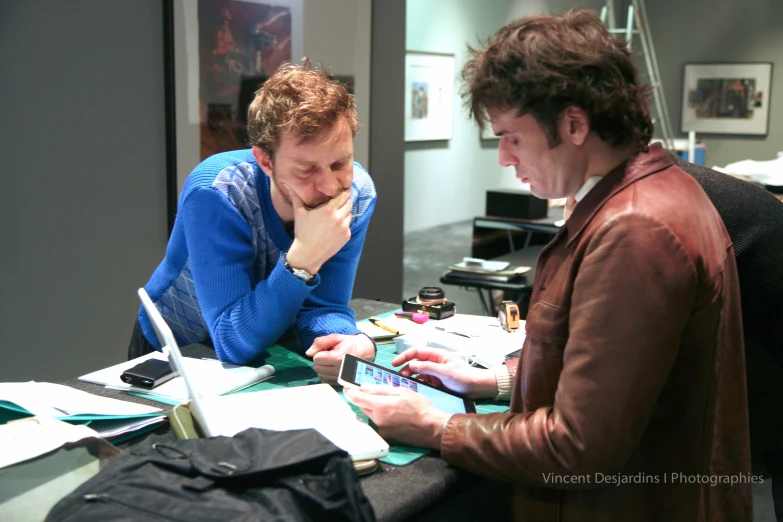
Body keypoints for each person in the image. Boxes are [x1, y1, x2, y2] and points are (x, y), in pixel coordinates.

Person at [345, 10, 752, 521]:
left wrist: (433, 426)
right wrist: (494, 381)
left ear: (574, 124)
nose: (504, 158)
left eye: (512, 136)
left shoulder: (634, 230)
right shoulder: (654, 192)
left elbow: (579, 446)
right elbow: (618, 375)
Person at [130, 62, 378, 383]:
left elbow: (323, 307)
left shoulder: (356, 193)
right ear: (265, 161)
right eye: (306, 169)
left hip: (264, 333)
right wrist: (302, 261)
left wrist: (348, 341)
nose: (330, 187)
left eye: (339, 163)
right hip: (180, 347)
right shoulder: (218, 191)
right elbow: (231, 341)